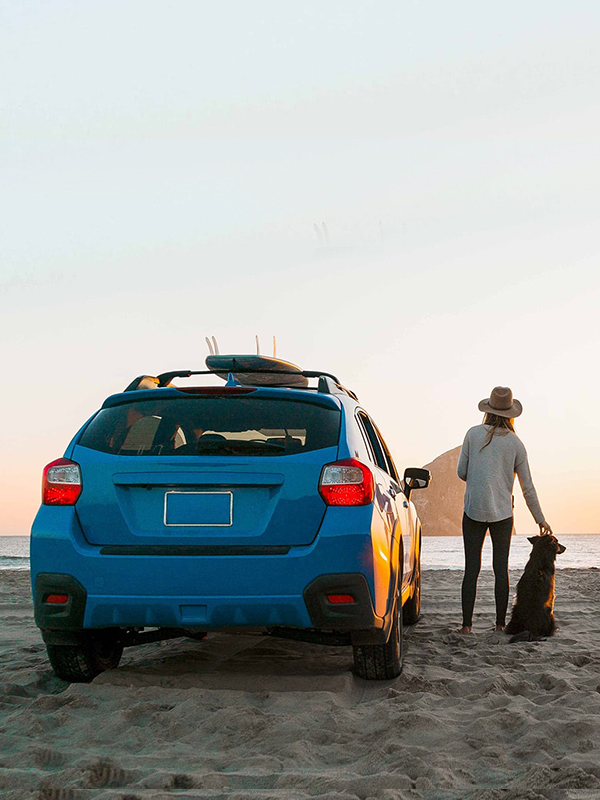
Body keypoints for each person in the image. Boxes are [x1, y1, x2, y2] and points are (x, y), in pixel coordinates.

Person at [457, 386, 552, 635]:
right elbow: (527, 487)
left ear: (488, 410)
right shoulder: (516, 444)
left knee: (471, 569)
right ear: (510, 414)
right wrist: (540, 519)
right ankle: (500, 625)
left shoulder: (472, 434)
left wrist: (480, 473)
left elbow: (461, 472)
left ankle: (466, 626)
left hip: (474, 510)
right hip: (502, 514)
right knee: (501, 569)